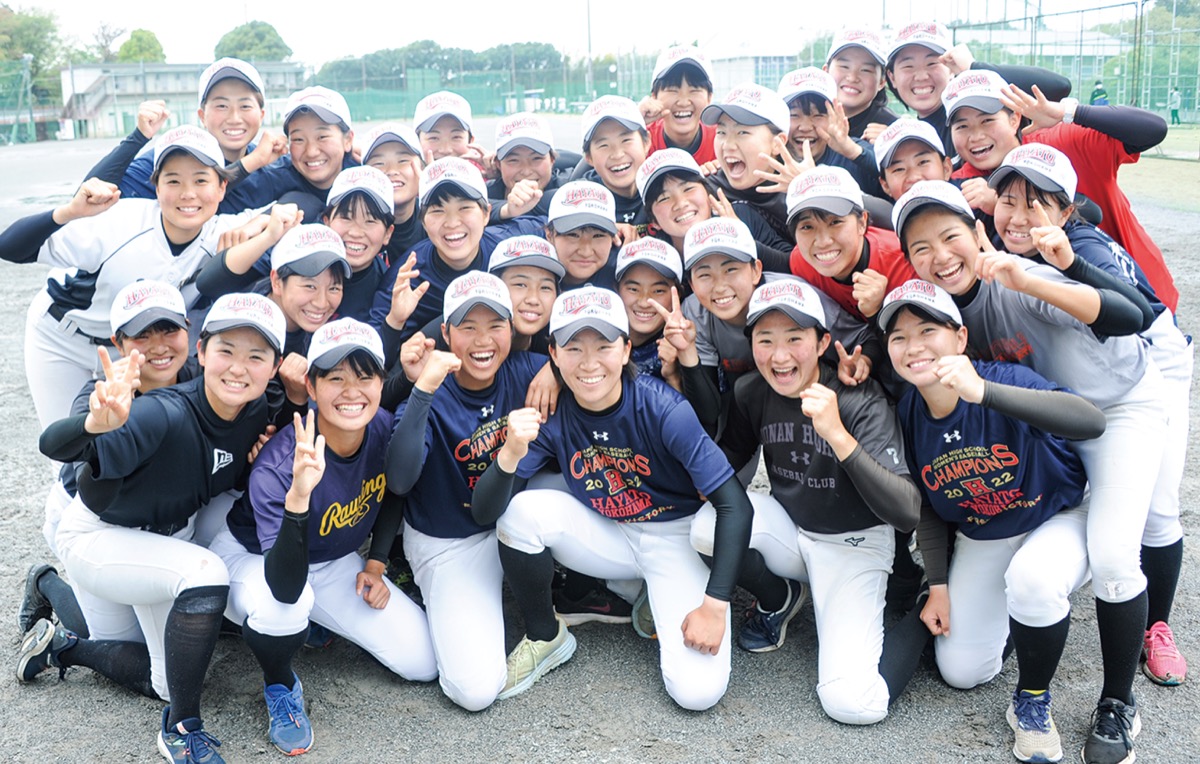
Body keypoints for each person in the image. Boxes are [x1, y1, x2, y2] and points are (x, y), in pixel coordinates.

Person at [892, 180, 1167, 764]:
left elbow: (1131, 314)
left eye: (950, 237)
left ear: (978, 234)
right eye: (920, 249)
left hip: (1112, 409)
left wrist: (1039, 274)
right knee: (963, 668)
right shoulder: (928, 345)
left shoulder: (1013, 277)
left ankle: (1117, 702)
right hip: (1042, 435)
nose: (939, 256)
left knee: (1113, 553)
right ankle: (1035, 603)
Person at [25, 292, 285, 764]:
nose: (238, 368)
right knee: (206, 573)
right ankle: (182, 729)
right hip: (100, 537)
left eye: (256, 356)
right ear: (204, 352)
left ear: (275, 366)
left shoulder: (259, 408)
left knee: (165, 680)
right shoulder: (157, 410)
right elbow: (53, 445)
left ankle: (62, 639)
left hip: (165, 543)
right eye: (226, 351)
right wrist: (94, 425)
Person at [470, 285, 753, 710]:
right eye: (573, 348)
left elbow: (736, 505)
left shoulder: (663, 409)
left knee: (697, 694)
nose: (588, 363)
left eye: (603, 346)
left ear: (624, 350)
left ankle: (641, 589)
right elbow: (485, 513)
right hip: (609, 532)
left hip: (672, 538)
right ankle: (547, 635)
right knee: (520, 514)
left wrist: (714, 605)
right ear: (553, 354)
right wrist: (509, 453)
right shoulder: (553, 414)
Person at [989, 143, 1193, 687]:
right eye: (1007, 200)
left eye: (1036, 205)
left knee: (1137, 530)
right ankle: (1023, 615)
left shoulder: (1085, 249)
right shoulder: (996, 244)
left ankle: (1137, 665)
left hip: (1126, 398)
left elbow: (1138, 313)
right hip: (1066, 408)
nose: (1017, 216)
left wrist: (1068, 265)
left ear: (1066, 211)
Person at [881, 280, 1106, 763]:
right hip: (988, 531)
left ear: (960, 338)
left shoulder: (1003, 379)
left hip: (1059, 514)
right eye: (898, 337)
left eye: (927, 330)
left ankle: (1032, 701)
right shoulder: (909, 410)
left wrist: (984, 393)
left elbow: (1090, 421)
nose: (913, 346)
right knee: (962, 670)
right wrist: (938, 583)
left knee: (1035, 580)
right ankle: (1015, 608)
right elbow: (925, 505)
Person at [693, 279, 921, 725]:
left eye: (795, 339)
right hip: (792, 531)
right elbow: (730, 459)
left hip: (854, 543)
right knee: (705, 527)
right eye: (766, 340)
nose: (779, 357)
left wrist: (836, 433)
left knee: (853, 703)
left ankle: (923, 610)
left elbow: (906, 509)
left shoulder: (858, 398)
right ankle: (781, 597)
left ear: (821, 343)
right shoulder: (751, 391)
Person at [211, 318, 437, 755]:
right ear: (311, 388)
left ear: (381, 382)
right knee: (289, 606)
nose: (352, 391)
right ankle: (279, 683)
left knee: (422, 662)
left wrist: (377, 561)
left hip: (330, 562)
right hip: (256, 560)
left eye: (364, 376)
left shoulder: (382, 426)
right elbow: (285, 583)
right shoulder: (280, 465)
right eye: (335, 377)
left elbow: (393, 492)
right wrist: (298, 497)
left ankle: (305, 624)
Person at [1, 125, 256, 429]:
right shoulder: (117, 221)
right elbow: (10, 247)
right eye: (173, 180)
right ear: (157, 187)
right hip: (63, 339)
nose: (188, 194)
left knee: (131, 441)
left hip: (132, 348)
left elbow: (289, 211)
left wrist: (269, 223)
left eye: (201, 180)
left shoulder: (221, 233)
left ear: (221, 188)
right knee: (68, 451)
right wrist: (69, 211)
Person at [384, 272, 548, 711]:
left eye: (495, 325)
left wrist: (555, 368)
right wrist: (420, 390)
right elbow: (398, 480)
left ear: (512, 330)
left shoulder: (525, 370)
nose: (483, 340)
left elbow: (592, 371)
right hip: (449, 543)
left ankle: (556, 611)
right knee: (474, 691)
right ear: (445, 332)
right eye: (467, 326)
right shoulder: (431, 391)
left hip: (512, 527)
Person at [22, 280, 198, 643]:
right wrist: (94, 424)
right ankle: (46, 582)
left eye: (169, 329)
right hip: (97, 525)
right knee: (113, 643)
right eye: (141, 336)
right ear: (118, 344)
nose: (159, 346)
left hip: (159, 520)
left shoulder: (202, 376)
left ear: (188, 329)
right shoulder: (100, 396)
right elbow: (58, 444)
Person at [80, 59, 282, 215]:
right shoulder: (173, 156)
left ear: (262, 114)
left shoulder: (271, 162)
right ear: (202, 115)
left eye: (245, 106)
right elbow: (89, 197)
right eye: (221, 105)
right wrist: (138, 137)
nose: (234, 118)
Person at [358, 123, 426, 262]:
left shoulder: (437, 221)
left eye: (403, 161)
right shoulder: (352, 229)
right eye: (378, 163)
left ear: (422, 168)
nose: (391, 170)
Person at [639, 46, 717, 164]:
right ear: (654, 96)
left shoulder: (721, 140)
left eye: (694, 90)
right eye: (672, 90)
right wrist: (635, 122)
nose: (683, 102)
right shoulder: (641, 140)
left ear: (709, 97)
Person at [824, 29, 899, 141]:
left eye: (866, 70)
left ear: (882, 82)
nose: (853, 77)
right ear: (826, 71)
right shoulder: (803, 117)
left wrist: (891, 147)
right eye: (844, 66)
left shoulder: (893, 131)